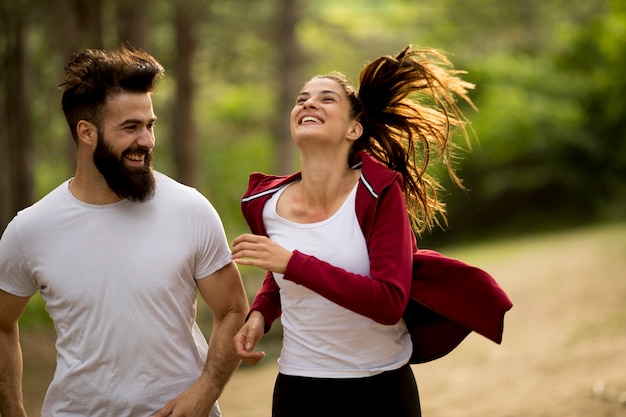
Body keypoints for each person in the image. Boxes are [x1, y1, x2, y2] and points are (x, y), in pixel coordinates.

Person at [0, 46, 249, 417]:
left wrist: (203, 393)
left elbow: (232, 309)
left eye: (150, 125)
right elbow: (2, 322)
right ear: (86, 132)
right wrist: (13, 409)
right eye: (130, 128)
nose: (147, 141)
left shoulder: (190, 209)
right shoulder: (31, 229)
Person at [231, 45, 476, 417]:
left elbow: (388, 301)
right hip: (299, 389)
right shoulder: (265, 204)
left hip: (380, 389)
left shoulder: (378, 193)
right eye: (302, 99)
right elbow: (279, 271)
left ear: (354, 129)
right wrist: (261, 313)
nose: (308, 104)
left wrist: (293, 263)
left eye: (325, 99)